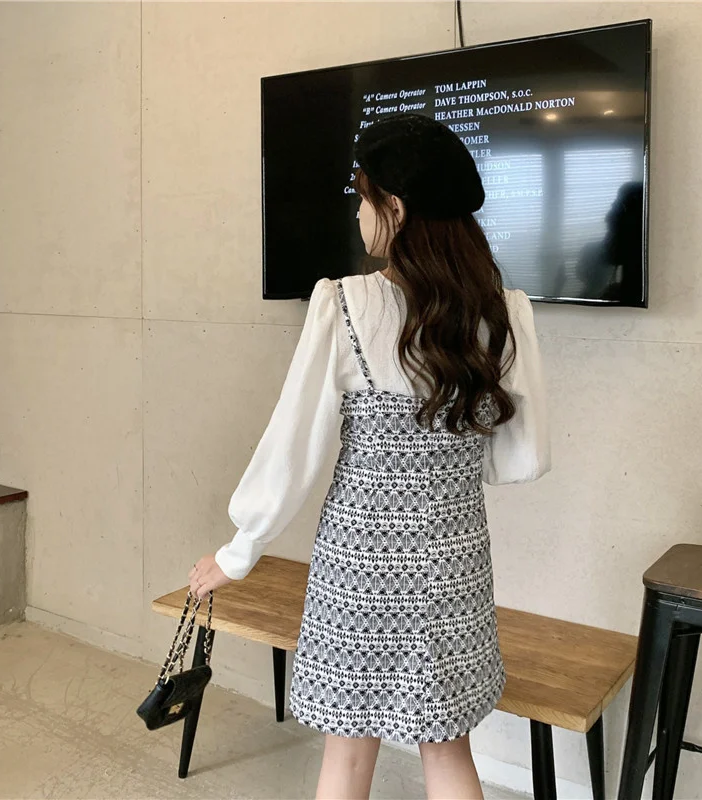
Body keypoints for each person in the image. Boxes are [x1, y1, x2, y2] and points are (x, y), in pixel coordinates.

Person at [189, 113, 551, 800]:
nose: (359, 214)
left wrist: (240, 551)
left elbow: (293, 443)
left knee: (348, 754)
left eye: (362, 197)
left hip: (358, 565)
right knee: (448, 749)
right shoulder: (504, 312)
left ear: (396, 207)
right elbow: (520, 459)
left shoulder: (344, 303)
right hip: (453, 560)